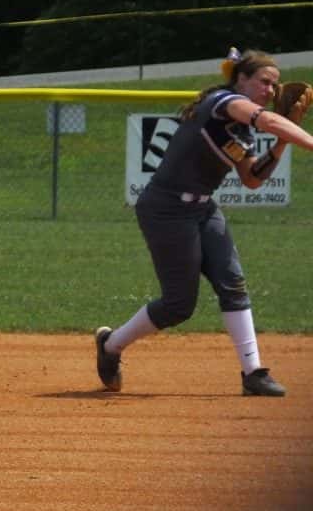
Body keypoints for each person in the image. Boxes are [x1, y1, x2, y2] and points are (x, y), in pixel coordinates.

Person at [95, 47, 313, 396]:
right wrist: (291, 132)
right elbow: (270, 121)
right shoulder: (222, 102)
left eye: (274, 84)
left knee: (233, 283)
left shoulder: (243, 131)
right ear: (241, 79)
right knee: (179, 305)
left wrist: (283, 141)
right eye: (264, 81)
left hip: (203, 208)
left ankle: (253, 373)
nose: (271, 90)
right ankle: (110, 345)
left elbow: (252, 178)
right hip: (166, 208)